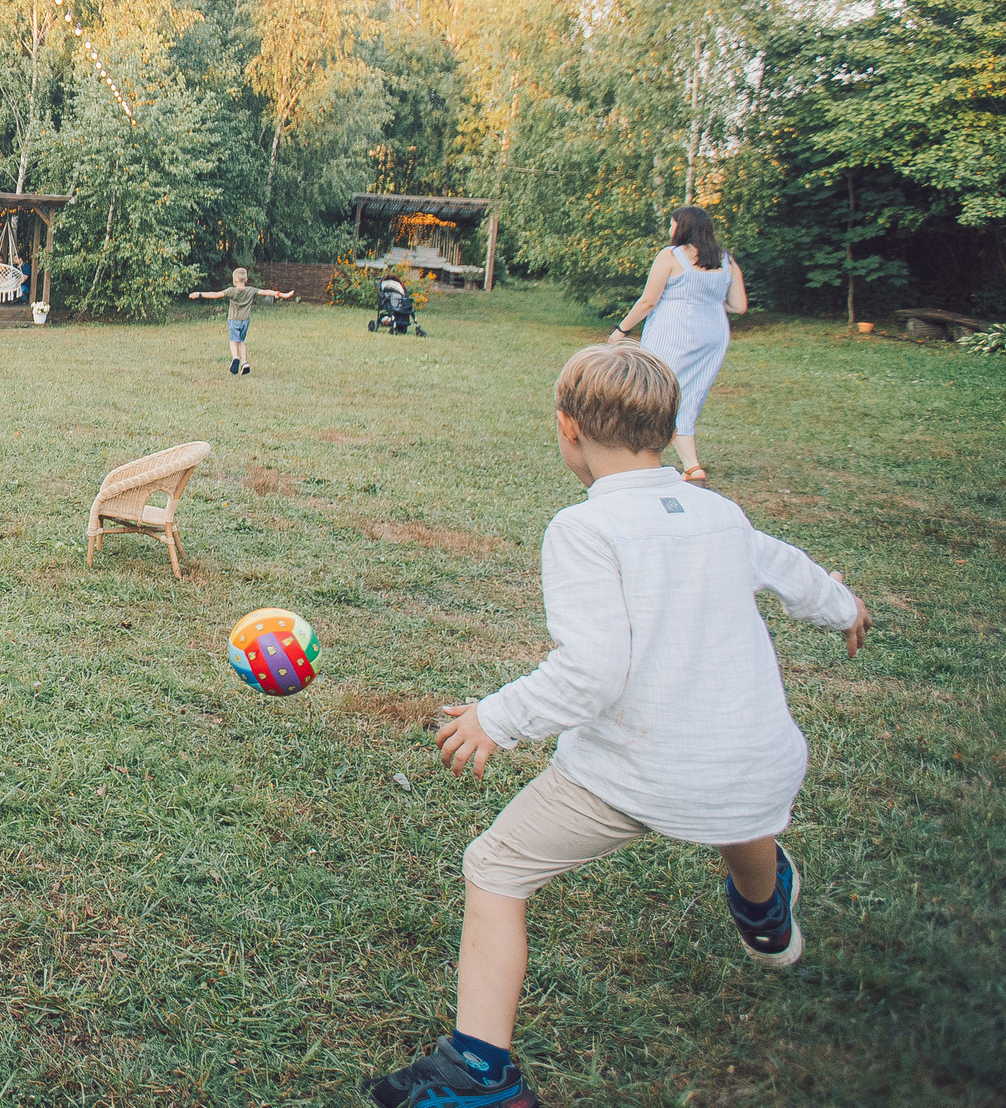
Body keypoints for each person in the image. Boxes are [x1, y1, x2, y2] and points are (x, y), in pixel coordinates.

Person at [363, 344, 870, 1108]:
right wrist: (844, 606)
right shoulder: (718, 511)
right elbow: (791, 569)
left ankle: (479, 1072)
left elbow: (596, 670)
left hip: (637, 771)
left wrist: (495, 716)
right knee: (737, 800)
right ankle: (765, 913)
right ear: (666, 428)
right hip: (759, 765)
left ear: (567, 429)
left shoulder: (583, 528)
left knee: (495, 868)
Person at [608, 205, 747, 484]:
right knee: (689, 393)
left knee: (654, 390)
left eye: (672, 224)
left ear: (681, 227)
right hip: (713, 334)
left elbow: (648, 300)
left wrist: (621, 330)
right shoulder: (726, 261)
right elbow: (739, 305)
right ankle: (692, 465)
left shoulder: (670, 256)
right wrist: (707, 298)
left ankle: (638, 456)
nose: (670, 230)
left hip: (674, 332)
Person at [186, 266, 293, 375]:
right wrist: (282, 294)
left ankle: (235, 357)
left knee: (233, 341)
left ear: (234, 280)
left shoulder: (231, 291)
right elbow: (267, 292)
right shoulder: (251, 290)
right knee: (241, 342)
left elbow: (215, 295)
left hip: (234, 320)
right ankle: (245, 362)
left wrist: (199, 294)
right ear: (246, 280)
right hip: (245, 321)